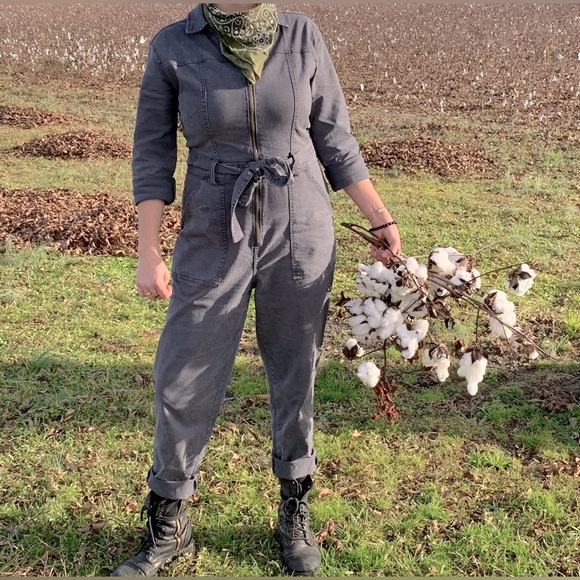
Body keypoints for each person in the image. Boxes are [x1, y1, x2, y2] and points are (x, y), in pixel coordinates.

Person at [112, 3, 401, 577]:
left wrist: (379, 217)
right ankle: (169, 516)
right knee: (183, 372)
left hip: (301, 223)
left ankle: (295, 506)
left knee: (296, 371)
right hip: (213, 226)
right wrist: (148, 249)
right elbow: (152, 152)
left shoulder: (301, 35)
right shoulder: (173, 45)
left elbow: (333, 136)